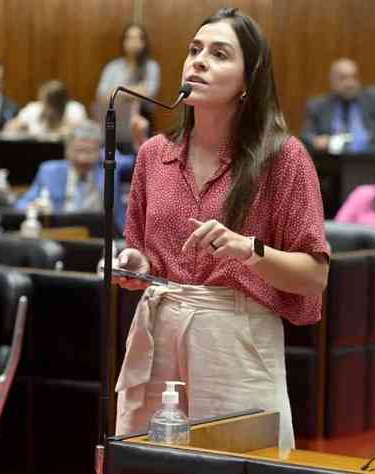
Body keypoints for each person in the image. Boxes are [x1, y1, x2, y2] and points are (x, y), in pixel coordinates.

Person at [112, 8, 330, 455]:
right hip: (160, 328)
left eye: (219, 53)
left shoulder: (283, 158)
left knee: (239, 462)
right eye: (194, 50)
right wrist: (136, 264)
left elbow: (314, 275)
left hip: (237, 338)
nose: (199, 61)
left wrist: (247, 250)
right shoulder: (154, 154)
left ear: (249, 79)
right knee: (150, 463)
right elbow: (141, 252)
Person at [15, 120, 131, 232]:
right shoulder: (49, 171)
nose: (83, 159)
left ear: (100, 152)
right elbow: (22, 204)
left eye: (89, 152)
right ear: (67, 150)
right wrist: (34, 207)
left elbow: (138, 162)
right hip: (60, 233)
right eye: (78, 151)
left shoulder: (111, 169)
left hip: (102, 235)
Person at [302, 58, 375, 155]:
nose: (350, 83)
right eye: (343, 78)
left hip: (374, 160)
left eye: (353, 77)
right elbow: (306, 135)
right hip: (334, 164)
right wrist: (315, 141)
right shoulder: (318, 106)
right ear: (332, 80)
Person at [95, 23, 160, 154]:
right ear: (123, 42)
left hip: (142, 125)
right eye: (129, 38)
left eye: (137, 38)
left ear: (144, 42)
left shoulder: (151, 67)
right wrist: (136, 90)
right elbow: (102, 96)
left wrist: (119, 90)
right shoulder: (113, 67)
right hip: (115, 124)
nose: (133, 42)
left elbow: (149, 93)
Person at [4, 79, 87, 140]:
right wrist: (16, 127)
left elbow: (83, 133)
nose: (45, 106)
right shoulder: (33, 108)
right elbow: (10, 128)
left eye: (50, 104)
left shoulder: (74, 109)